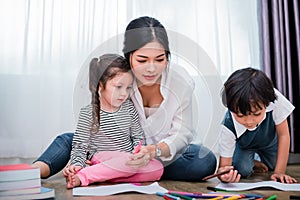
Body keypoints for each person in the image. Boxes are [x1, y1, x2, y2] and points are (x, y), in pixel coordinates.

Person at [32, 16, 217, 181]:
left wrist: (153, 151)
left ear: (167, 57)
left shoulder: (181, 82)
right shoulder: (120, 79)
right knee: (68, 140)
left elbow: (182, 134)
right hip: (120, 150)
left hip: (163, 154)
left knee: (204, 161)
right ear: (129, 57)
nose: (151, 69)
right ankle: (32, 172)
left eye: (159, 59)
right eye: (142, 60)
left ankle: (116, 171)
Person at [63, 53, 163, 188]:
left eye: (128, 88)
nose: (124, 93)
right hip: (102, 159)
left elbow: (138, 137)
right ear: (100, 86)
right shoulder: (88, 113)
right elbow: (79, 147)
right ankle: (84, 176)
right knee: (127, 163)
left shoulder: (129, 108)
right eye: (118, 87)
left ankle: (104, 175)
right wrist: (76, 165)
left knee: (158, 168)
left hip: (128, 160)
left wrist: (139, 154)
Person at [217, 67, 297, 184]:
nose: (249, 121)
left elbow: (283, 135)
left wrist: (279, 172)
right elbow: (223, 167)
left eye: (256, 114)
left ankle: (259, 158)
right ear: (231, 109)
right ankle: (252, 160)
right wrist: (224, 175)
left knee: (276, 164)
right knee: (241, 170)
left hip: (270, 142)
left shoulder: (275, 100)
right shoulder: (228, 125)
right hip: (245, 146)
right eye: (240, 115)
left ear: (267, 104)